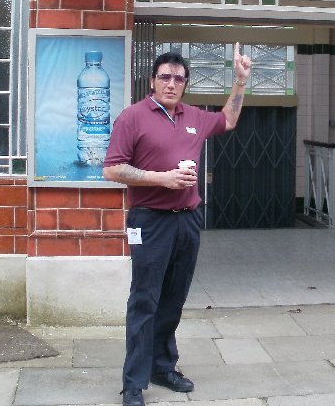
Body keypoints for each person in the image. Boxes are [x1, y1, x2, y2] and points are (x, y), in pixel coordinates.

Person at [103, 43, 252, 406]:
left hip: (187, 220)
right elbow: (112, 169)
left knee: (173, 298)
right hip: (149, 220)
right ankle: (134, 382)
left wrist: (240, 81)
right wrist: (163, 179)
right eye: (165, 77)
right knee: (145, 300)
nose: (171, 84)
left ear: (186, 84)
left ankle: (162, 366)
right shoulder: (132, 117)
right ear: (152, 81)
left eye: (179, 79)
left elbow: (228, 120)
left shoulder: (193, 116)